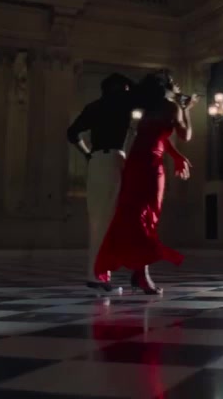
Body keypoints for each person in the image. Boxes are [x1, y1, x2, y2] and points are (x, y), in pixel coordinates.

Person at [93, 70, 195, 294]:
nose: (177, 85)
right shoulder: (172, 107)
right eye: (173, 82)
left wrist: (176, 156)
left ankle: (140, 272)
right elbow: (186, 136)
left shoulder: (150, 108)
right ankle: (142, 275)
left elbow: (156, 137)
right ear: (167, 86)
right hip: (150, 166)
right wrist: (186, 110)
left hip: (135, 163)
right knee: (147, 218)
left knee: (134, 216)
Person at [67, 73, 137, 293]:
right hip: (112, 159)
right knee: (105, 219)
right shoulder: (123, 103)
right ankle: (98, 276)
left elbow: (72, 133)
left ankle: (98, 274)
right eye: (125, 87)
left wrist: (87, 154)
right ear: (118, 88)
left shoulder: (94, 106)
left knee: (100, 218)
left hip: (99, 159)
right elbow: (138, 91)